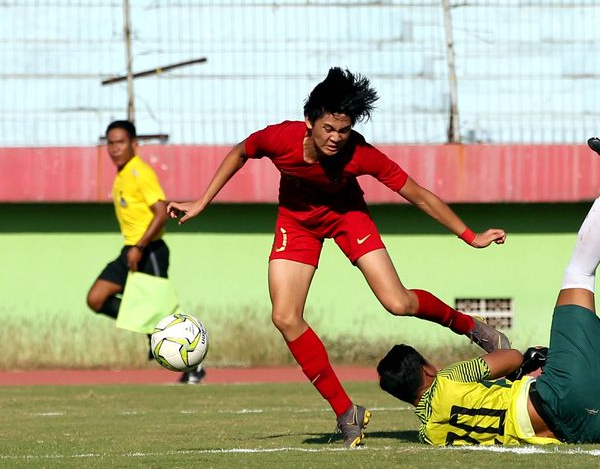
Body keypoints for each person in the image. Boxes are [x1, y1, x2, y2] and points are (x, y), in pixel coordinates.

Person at [167, 68, 511, 447]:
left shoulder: (360, 154)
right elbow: (240, 152)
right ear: (309, 121)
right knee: (284, 317)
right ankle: (347, 412)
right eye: (328, 128)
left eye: (343, 130)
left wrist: (469, 236)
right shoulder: (279, 138)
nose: (335, 138)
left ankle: (473, 328)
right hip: (297, 222)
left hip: (348, 216)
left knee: (397, 302)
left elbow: (418, 194)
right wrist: (201, 201)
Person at [377, 138, 600, 446]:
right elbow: (510, 357)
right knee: (578, 273)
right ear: (426, 370)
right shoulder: (446, 380)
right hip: (559, 396)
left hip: (575, 429)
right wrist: (526, 358)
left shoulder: (429, 434)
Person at [86, 120, 206, 385]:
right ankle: (154, 331)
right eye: (110, 143)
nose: (114, 148)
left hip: (148, 250)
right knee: (96, 298)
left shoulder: (140, 172)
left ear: (134, 144)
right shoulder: (122, 174)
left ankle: (193, 364)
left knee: (160, 312)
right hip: (130, 250)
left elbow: (161, 210)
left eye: (120, 142)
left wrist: (140, 247)